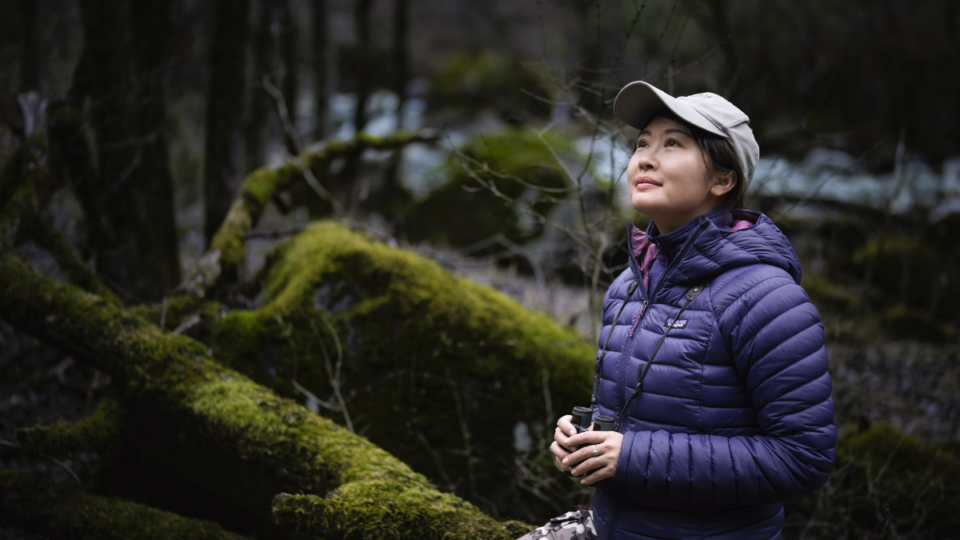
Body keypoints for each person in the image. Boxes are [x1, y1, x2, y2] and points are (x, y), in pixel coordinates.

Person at [539, 81, 837, 540]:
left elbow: (803, 457)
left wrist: (631, 455)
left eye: (672, 143)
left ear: (723, 179)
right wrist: (583, 441)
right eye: (642, 144)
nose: (645, 158)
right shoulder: (627, 286)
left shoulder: (766, 298)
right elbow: (644, 415)